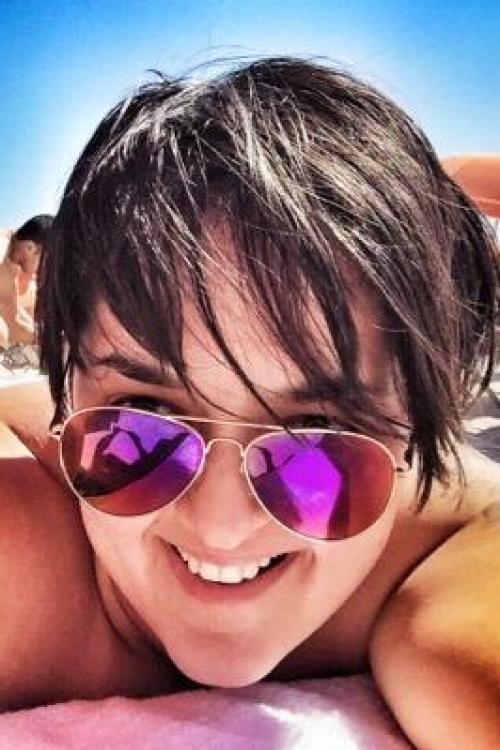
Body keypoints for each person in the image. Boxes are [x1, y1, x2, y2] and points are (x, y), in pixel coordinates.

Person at [0, 57, 499, 746]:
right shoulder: (18, 550)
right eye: (144, 423)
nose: (222, 527)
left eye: (316, 432)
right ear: (65, 397)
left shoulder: (452, 564)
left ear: (414, 437)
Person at [0, 214, 53, 347]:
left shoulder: (11, 262)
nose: (44, 268)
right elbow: (10, 324)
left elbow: (12, 312)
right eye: (46, 261)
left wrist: (46, 337)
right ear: (30, 248)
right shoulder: (2, 246)